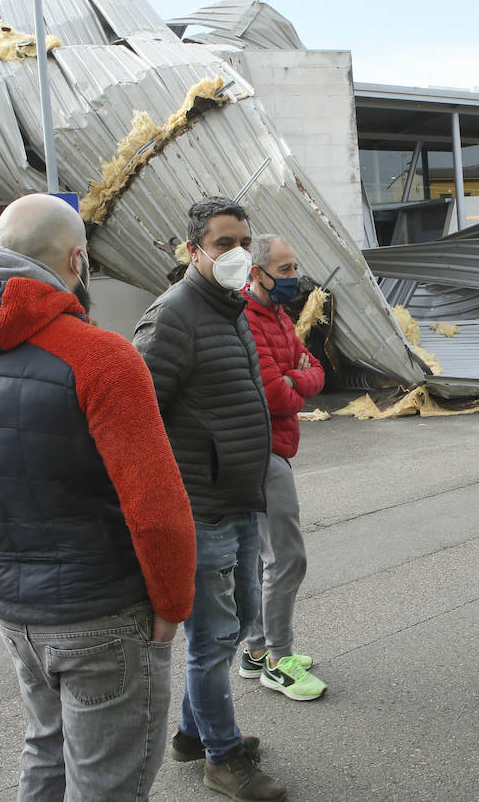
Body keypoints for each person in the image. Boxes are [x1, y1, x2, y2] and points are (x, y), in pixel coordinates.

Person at [0, 193, 197, 800]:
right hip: (105, 614)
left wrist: (18, 563)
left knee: (47, 751)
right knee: (107, 780)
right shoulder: (101, 357)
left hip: (17, 614)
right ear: (77, 260)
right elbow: (157, 511)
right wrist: (171, 607)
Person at [133, 196, 285, 802]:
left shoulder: (232, 309)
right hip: (200, 507)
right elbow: (138, 419)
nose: (237, 254)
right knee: (212, 638)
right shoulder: (172, 317)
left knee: (242, 619)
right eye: (223, 243)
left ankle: (193, 735)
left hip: (240, 499)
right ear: (193, 250)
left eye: (243, 242)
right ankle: (222, 758)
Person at [237, 234, 329, 701]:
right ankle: (278, 660)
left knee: (260, 557)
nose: (295, 278)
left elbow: (314, 369)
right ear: (257, 273)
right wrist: (296, 377)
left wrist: (298, 374)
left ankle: (257, 650)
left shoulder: (276, 315)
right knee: (287, 557)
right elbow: (276, 393)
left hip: (271, 447)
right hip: (260, 452)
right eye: (286, 269)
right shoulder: (246, 322)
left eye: (295, 267)